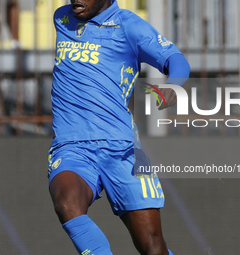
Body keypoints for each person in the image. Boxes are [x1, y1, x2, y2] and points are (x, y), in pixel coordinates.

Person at [47, 0, 190, 254]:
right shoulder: (62, 18)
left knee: (153, 247)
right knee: (66, 203)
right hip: (71, 146)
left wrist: (173, 85)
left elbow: (176, 59)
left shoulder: (129, 26)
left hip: (122, 149)